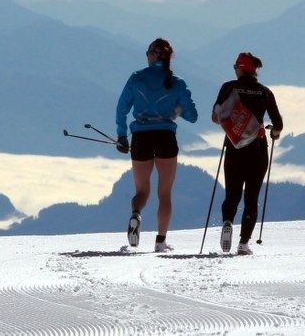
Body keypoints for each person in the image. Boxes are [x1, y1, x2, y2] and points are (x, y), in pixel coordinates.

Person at [116, 38, 198, 252]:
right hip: (165, 136)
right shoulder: (177, 82)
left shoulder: (136, 78)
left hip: (141, 137)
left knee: (142, 191)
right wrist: (175, 110)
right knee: (165, 194)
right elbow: (193, 116)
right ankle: (160, 241)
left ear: (151, 56)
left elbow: (121, 109)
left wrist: (121, 135)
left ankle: (136, 214)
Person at [211, 52, 283, 255]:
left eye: (236, 66)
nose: (234, 68)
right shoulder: (265, 92)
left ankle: (227, 222)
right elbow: (278, 124)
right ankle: (243, 243)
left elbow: (216, 118)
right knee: (252, 197)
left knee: (232, 194)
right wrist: (274, 133)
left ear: (241, 68)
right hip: (258, 150)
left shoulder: (229, 87)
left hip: (234, 149)